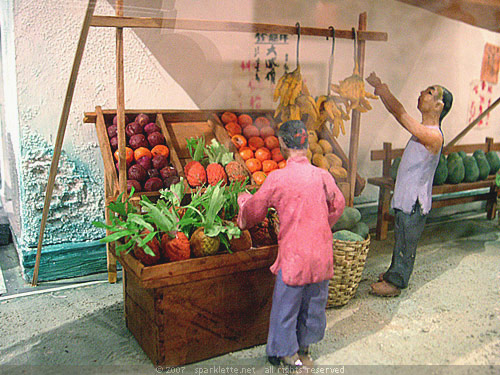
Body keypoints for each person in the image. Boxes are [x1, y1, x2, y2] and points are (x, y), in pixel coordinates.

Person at [237, 120, 345, 369]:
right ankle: (305, 348)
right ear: (306, 143)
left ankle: (286, 353)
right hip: (321, 252)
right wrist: (321, 224)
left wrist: (243, 204)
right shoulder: (322, 175)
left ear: (283, 144)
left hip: (294, 255)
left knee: (287, 304)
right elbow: (338, 205)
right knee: (314, 302)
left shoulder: (278, 178)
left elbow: (255, 211)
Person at [365, 72, 453, 297]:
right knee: (401, 238)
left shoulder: (434, 136)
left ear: (438, 106)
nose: (422, 93)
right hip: (406, 198)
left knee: (406, 244)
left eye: (429, 92)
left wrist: (383, 89)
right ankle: (393, 273)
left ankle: (396, 283)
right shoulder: (423, 133)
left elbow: (400, 114)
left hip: (415, 202)